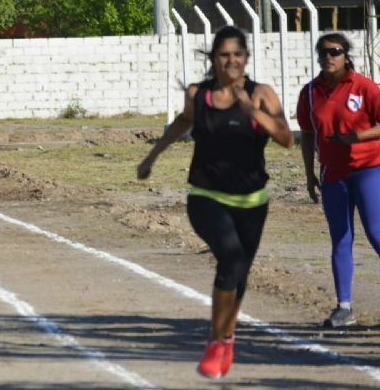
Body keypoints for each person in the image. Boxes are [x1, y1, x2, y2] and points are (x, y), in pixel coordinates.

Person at [137, 26, 293, 379]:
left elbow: (286, 139)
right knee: (231, 260)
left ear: (247, 58)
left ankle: (227, 337)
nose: (231, 60)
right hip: (206, 196)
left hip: (253, 201)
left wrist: (253, 112)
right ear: (214, 59)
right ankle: (214, 340)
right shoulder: (199, 95)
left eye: (238, 54)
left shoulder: (262, 94)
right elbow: (181, 123)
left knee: (239, 275)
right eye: (224, 54)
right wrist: (151, 158)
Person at [296, 32, 380, 328]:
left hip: (369, 169)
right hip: (333, 176)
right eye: (322, 52)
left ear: (346, 55)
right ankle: (344, 307)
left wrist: (359, 136)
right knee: (341, 239)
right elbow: (307, 136)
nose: (328, 57)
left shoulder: (365, 87)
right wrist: (309, 174)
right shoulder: (310, 92)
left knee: (377, 233)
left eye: (334, 51)